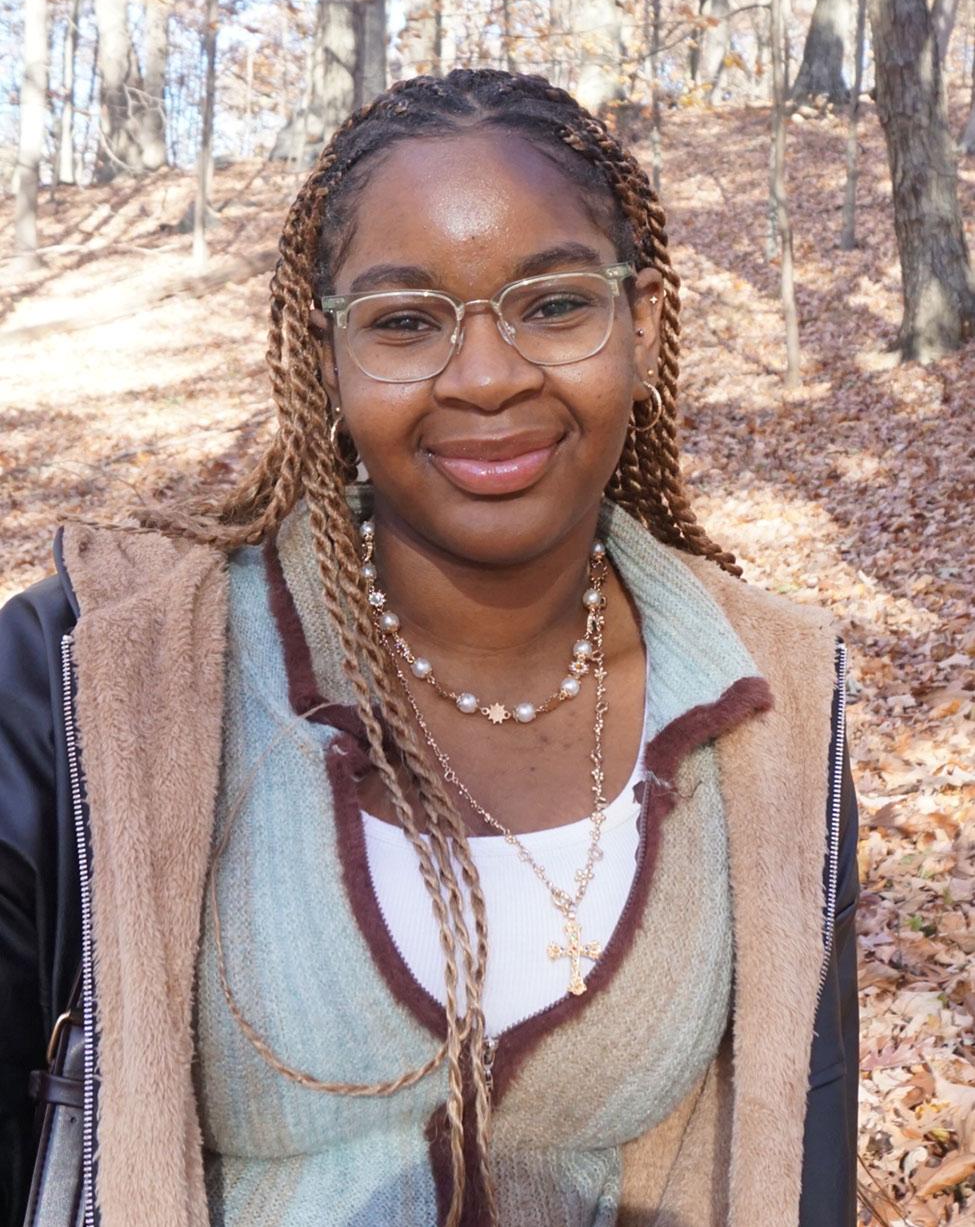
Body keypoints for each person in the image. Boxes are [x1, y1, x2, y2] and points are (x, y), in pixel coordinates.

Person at [0, 68, 858, 1227]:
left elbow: (795, 1151)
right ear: (330, 356)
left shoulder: (774, 707)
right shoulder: (89, 683)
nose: (490, 376)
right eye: (405, 321)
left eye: (553, 305)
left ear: (641, 323)